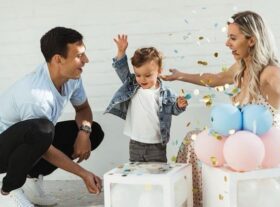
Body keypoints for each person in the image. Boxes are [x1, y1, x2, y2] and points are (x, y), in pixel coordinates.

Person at [162, 11, 280, 206]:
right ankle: (196, 201)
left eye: (233, 38)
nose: (227, 43)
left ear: (251, 40)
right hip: (243, 151)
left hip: (269, 154)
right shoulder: (241, 67)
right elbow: (215, 79)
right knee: (192, 140)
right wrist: (180, 75)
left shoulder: (270, 70)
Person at [0, 27, 104, 207]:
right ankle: (7, 191)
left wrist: (84, 133)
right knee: (43, 130)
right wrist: (83, 174)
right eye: (79, 56)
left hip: (30, 142)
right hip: (2, 150)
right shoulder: (35, 95)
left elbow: (83, 108)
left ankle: (32, 181)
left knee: (95, 132)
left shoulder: (73, 78)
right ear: (58, 59)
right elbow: (44, 147)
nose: (86, 60)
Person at [105, 34, 188, 162]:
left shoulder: (166, 93)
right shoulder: (132, 84)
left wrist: (179, 105)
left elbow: (174, 110)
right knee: (137, 175)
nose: (142, 79)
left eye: (147, 75)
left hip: (157, 144)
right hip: (135, 142)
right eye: (138, 75)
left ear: (159, 71)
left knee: (156, 174)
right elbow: (121, 69)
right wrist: (121, 51)